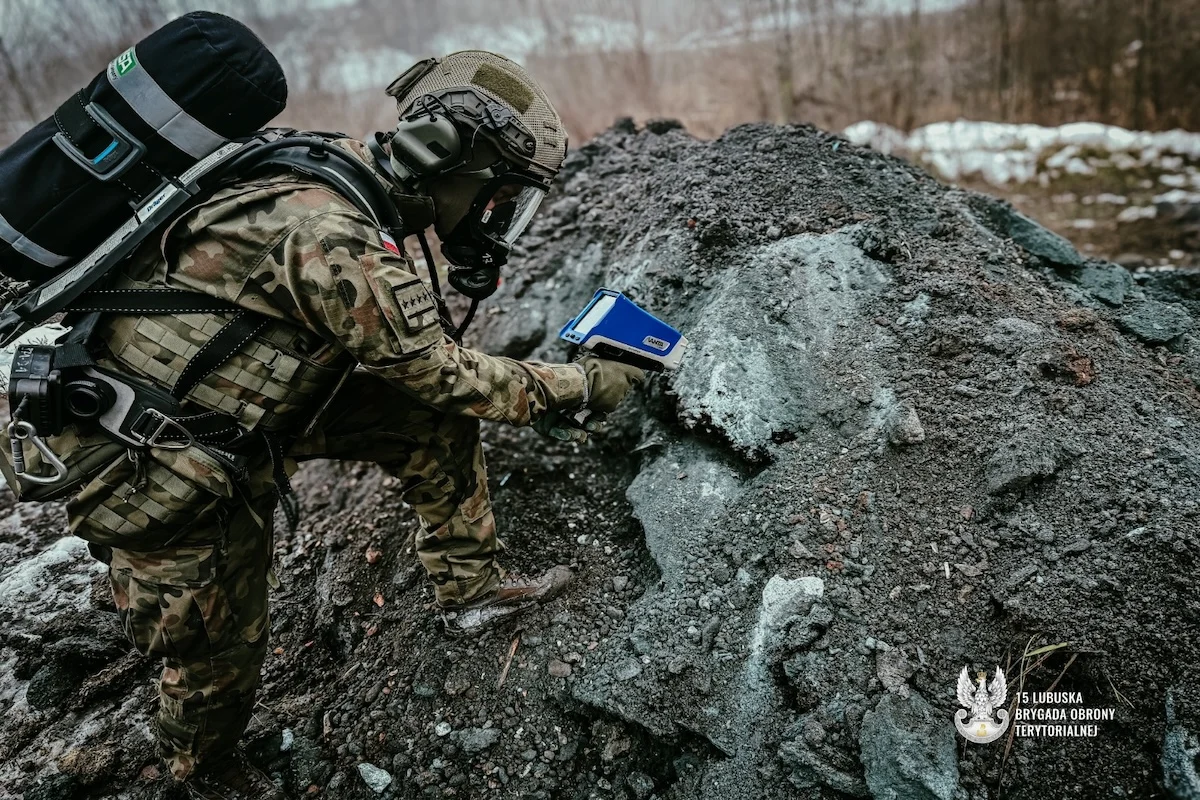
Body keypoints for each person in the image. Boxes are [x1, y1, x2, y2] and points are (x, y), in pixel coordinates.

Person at [47, 51, 643, 793]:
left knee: (426, 422)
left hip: (244, 407)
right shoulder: (332, 232)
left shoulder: (337, 170)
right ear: (444, 156)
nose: (496, 219)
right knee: (216, 659)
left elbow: (425, 381)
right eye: (498, 198)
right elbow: (450, 374)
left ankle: (472, 592)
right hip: (154, 462)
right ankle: (200, 771)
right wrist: (585, 383)